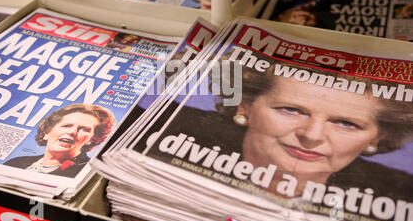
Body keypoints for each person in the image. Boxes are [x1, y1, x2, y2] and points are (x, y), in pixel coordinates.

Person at [164, 58, 413, 201]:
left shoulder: (400, 193)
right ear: (245, 105)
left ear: (377, 137)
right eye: (291, 110)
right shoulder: (169, 129)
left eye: (346, 123)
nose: (312, 135)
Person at [4, 104, 115, 177]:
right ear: (47, 132)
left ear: (91, 140)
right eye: (66, 126)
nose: (72, 132)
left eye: (84, 129)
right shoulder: (15, 162)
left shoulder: (88, 171)